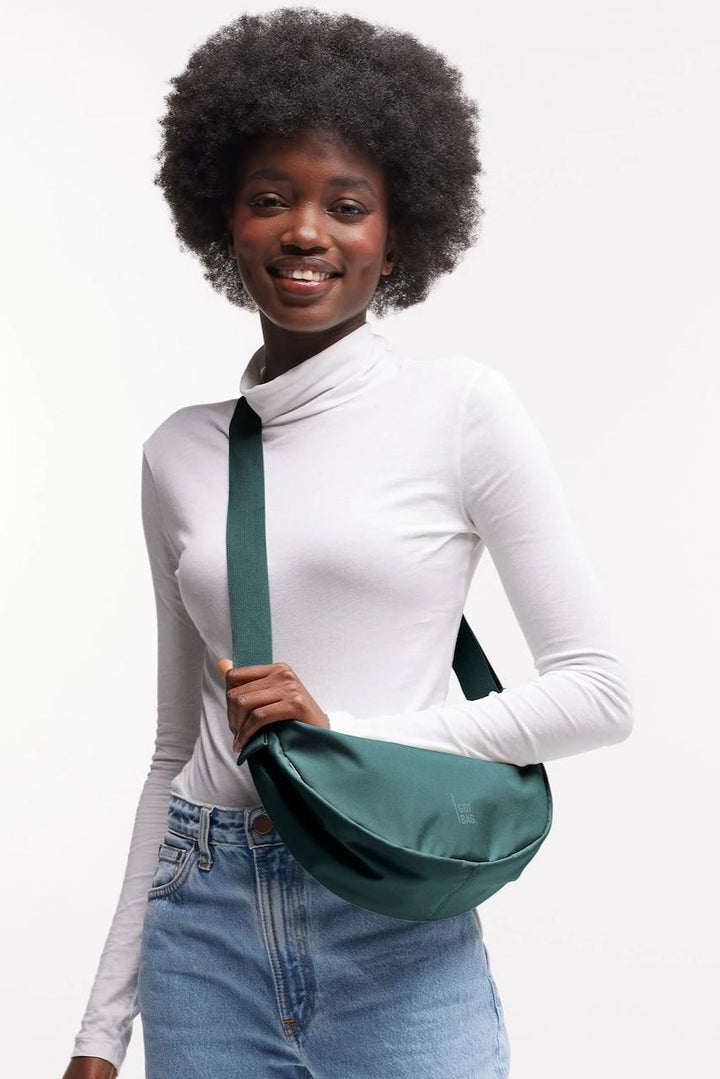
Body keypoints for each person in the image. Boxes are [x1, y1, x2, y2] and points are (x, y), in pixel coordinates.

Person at [63, 8, 634, 1079]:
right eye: (270, 198)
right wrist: (102, 1029)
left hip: (393, 927)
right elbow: (174, 751)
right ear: (225, 223)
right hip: (203, 928)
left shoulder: (460, 409)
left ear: (397, 234)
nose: (305, 231)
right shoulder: (177, 453)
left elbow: (600, 693)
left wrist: (348, 735)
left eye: (347, 204)